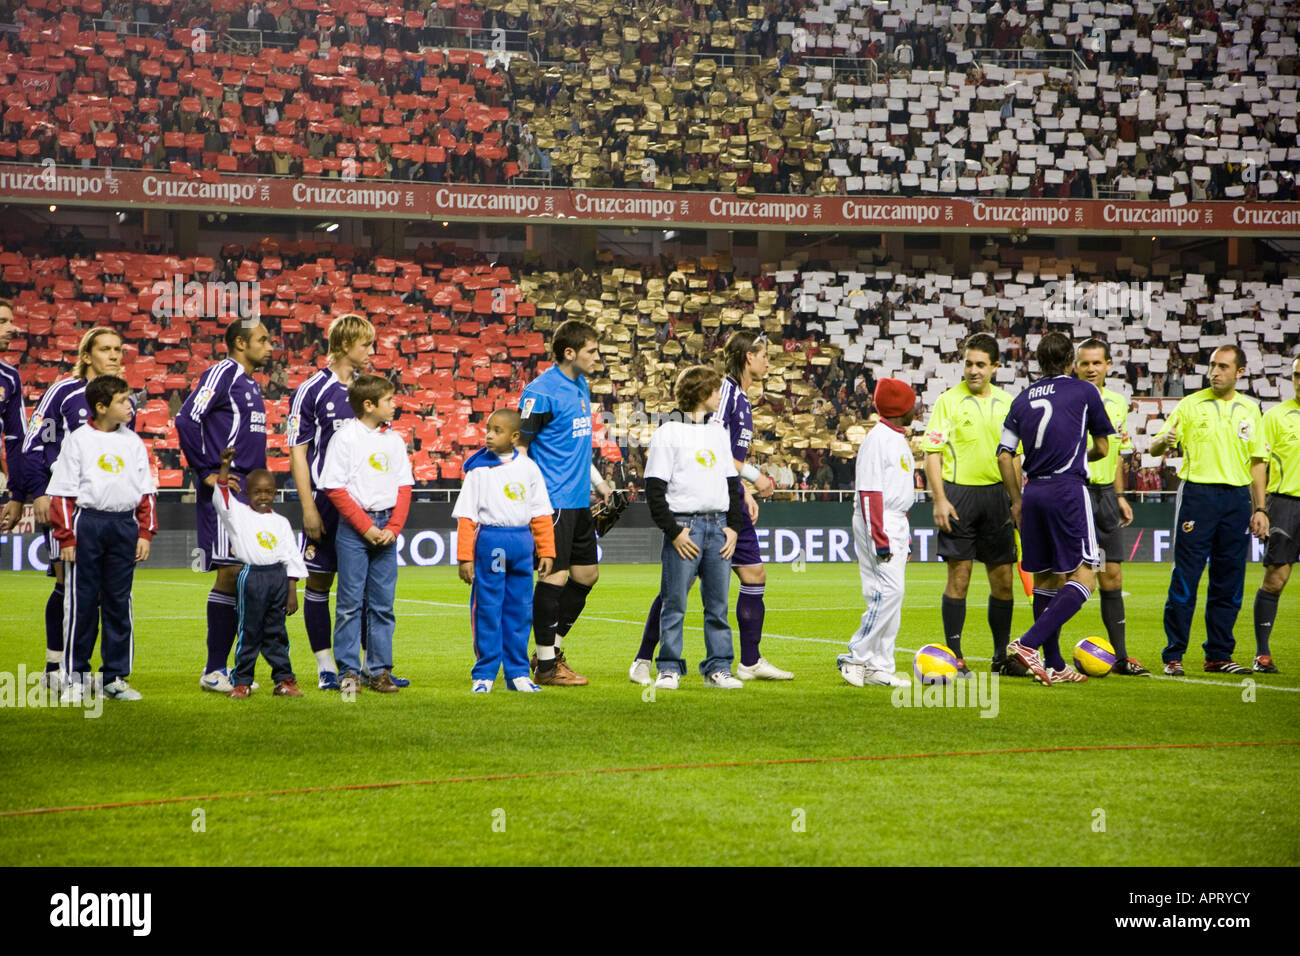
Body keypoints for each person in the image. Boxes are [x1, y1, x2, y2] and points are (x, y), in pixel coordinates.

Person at [630, 330, 791, 684]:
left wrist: (739, 492)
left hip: (724, 508)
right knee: (679, 591)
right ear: (749, 356)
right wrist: (749, 482)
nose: (768, 361)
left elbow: (720, 456)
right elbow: (707, 454)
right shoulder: (727, 395)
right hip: (704, 508)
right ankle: (650, 658)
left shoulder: (742, 398)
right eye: (764, 354)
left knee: (750, 577)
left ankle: (744, 661)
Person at [998, 332, 1114, 686]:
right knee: (1085, 576)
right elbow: (1103, 447)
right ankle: (1028, 643)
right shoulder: (1085, 391)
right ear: (1071, 362)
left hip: (1033, 492)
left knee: (1047, 580)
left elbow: (1005, 455)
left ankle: (1054, 664)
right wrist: (1082, 456)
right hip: (1067, 489)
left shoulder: (1021, 399)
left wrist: (1016, 499)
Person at [19, 326, 131, 687]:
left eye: (118, 349)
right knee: (69, 583)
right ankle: (57, 668)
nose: (114, 355)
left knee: (103, 591)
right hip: (65, 503)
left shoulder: (124, 399)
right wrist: (38, 492)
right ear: (86, 356)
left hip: (107, 508)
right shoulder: (64, 392)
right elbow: (33, 442)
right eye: (105, 349)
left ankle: (95, 671)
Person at [1150, 345, 1263, 676]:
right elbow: (1156, 445)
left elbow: (1258, 463)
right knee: (1186, 576)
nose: (1215, 371)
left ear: (1239, 372)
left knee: (1229, 581)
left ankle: (1218, 655)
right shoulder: (1190, 404)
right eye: (1212, 365)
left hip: (1236, 500)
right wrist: (1165, 439)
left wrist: (1260, 508)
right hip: (1198, 496)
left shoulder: (1249, 410)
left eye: (1223, 366)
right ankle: (1174, 655)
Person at [46, 375, 156, 702]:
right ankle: (76, 678)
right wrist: (66, 538)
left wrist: (145, 532)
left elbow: (147, 490)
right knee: (81, 603)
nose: (130, 405)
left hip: (124, 525)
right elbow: (62, 495)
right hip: (88, 524)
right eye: (123, 400)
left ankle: (114, 678)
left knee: (119, 603)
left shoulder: (133, 442)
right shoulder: (78, 440)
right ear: (101, 406)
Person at [176, 319, 271, 693]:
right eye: (262, 340)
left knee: (242, 573)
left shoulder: (249, 383)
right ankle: (214, 669)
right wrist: (205, 471)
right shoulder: (223, 372)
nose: (270, 346)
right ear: (239, 342)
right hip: (226, 486)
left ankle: (228, 668)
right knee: (230, 572)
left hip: (248, 491)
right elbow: (187, 417)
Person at [287, 312, 380, 691]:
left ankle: (365, 668)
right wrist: (308, 506)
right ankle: (326, 667)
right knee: (320, 584)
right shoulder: (312, 390)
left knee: (362, 588)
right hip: (325, 501)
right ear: (344, 346)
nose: (372, 351)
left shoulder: (368, 390)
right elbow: (298, 451)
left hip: (362, 503)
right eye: (366, 345)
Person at [518, 319, 613, 686]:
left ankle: (549, 649)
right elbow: (521, 449)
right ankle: (545, 667)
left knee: (586, 575)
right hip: (551, 503)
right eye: (592, 350)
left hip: (578, 502)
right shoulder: (539, 392)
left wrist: (600, 483)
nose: (597, 357)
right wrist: (529, 501)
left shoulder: (581, 385)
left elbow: (575, 446)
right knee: (553, 577)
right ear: (569, 352)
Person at [644, 366, 745, 690]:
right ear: (702, 394)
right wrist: (674, 532)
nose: (719, 395)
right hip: (685, 526)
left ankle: (719, 668)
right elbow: (654, 490)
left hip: (718, 526)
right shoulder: (667, 432)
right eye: (715, 390)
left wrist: (733, 528)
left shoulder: (718, 432)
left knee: (718, 605)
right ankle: (669, 668)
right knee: (674, 603)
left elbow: (732, 485)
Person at [922, 333, 1017, 674]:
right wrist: (940, 499)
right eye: (968, 363)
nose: (973, 370)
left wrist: (1017, 500)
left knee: (1003, 580)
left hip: (997, 497)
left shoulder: (1009, 403)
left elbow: (1015, 457)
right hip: (958, 496)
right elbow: (931, 453)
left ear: (995, 366)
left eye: (980, 364)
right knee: (959, 577)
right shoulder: (948, 401)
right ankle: (954, 654)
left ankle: (1000, 656)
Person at [319, 373, 412, 694]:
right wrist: (367, 527)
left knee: (383, 605)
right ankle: (349, 671)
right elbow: (334, 487)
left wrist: (393, 528)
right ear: (369, 405)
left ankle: (380, 670)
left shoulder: (394, 440)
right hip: (355, 529)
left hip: (386, 528)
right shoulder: (345, 438)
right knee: (348, 604)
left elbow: (404, 486)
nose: (394, 404)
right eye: (388, 400)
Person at [454, 409, 556, 693]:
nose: (488, 434)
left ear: (514, 437)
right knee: (487, 608)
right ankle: (484, 674)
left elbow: (541, 514)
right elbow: (466, 517)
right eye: (488, 429)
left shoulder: (529, 468)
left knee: (520, 611)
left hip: (522, 543)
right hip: (492, 542)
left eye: (497, 430)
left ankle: (518, 674)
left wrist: (547, 551)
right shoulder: (478, 470)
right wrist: (465, 557)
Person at [1074, 338, 1150, 675]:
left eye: (1096, 363)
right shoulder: (1068, 398)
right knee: (1067, 576)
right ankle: (1048, 655)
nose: (1091, 369)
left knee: (1112, 575)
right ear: (1075, 366)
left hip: (1105, 496)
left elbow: (1117, 452)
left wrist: (1120, 496)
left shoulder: (1118, 403)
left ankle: (1120, 657)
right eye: (1084, 363)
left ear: (1107, 366)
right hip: (1074, 492)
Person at [838, 379, 918, 688]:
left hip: (894, 520)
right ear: (902, 409)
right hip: (878, 519)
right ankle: (855, 655)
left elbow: (900, 492)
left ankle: (879, 665)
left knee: (889, 595)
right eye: (911, 404)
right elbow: (870, 492)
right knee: (888, 591)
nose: (915, 409)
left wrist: (904, 536)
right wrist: (881, 537)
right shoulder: (878, 439)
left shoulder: (896, 438)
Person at [213, 447, 307, 699]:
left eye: (268, 492)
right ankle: (242, 681)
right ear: (246, 493)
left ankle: (284, 680)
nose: (263, 497)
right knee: (249, 631)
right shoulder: (239, 515)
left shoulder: (281, 522)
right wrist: (224, 468)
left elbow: (291, 557)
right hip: (252, 577)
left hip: (278, 578)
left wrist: (292, 592)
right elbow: (221, 499)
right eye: (257, 492)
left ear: (275, 494)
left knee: (277, 632)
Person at [1248, 352, 1300, 674]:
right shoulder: (1276, 416)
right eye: (1297, 374)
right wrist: (1260, 508)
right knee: (1276, 579)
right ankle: (1262, 653)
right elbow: (1258, 464)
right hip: (1286, 504)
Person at [0, 299, 25, 534]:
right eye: (2, 322)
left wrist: (17, 495)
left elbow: (17, 438)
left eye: (11, 322)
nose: (11, 329)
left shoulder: (10, 377)